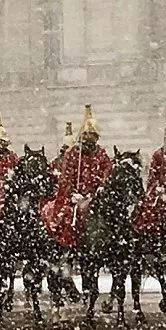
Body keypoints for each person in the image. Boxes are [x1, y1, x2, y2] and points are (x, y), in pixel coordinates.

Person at [42, 104, 113, 247]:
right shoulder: (73, 154)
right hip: (76, 197)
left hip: (96, 196)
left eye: (92, 135)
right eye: (86, 134)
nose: (89, 137)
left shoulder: (102, 154)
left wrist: (101, 187)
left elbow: (107, 171)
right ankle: (70, 246)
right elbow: (66, 178)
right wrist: (73, 193)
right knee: (68, 218)